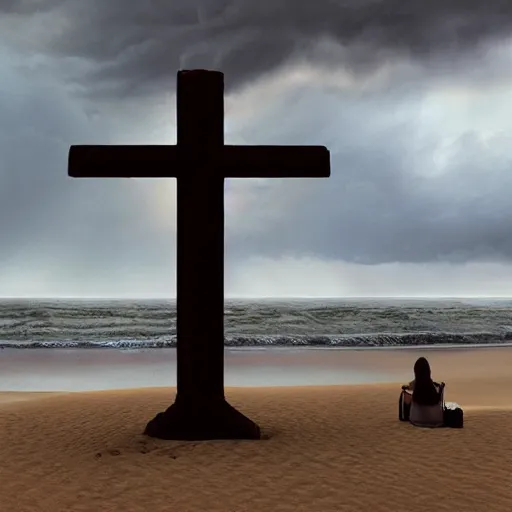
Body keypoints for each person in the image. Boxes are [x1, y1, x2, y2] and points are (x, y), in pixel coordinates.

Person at [402, 357, 444, 427]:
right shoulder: (432, 385)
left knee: (406, 395)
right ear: (429, 371)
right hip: (436, 419)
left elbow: (408, 387)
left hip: (418, 419)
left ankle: (406, 416)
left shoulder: (416, 383)